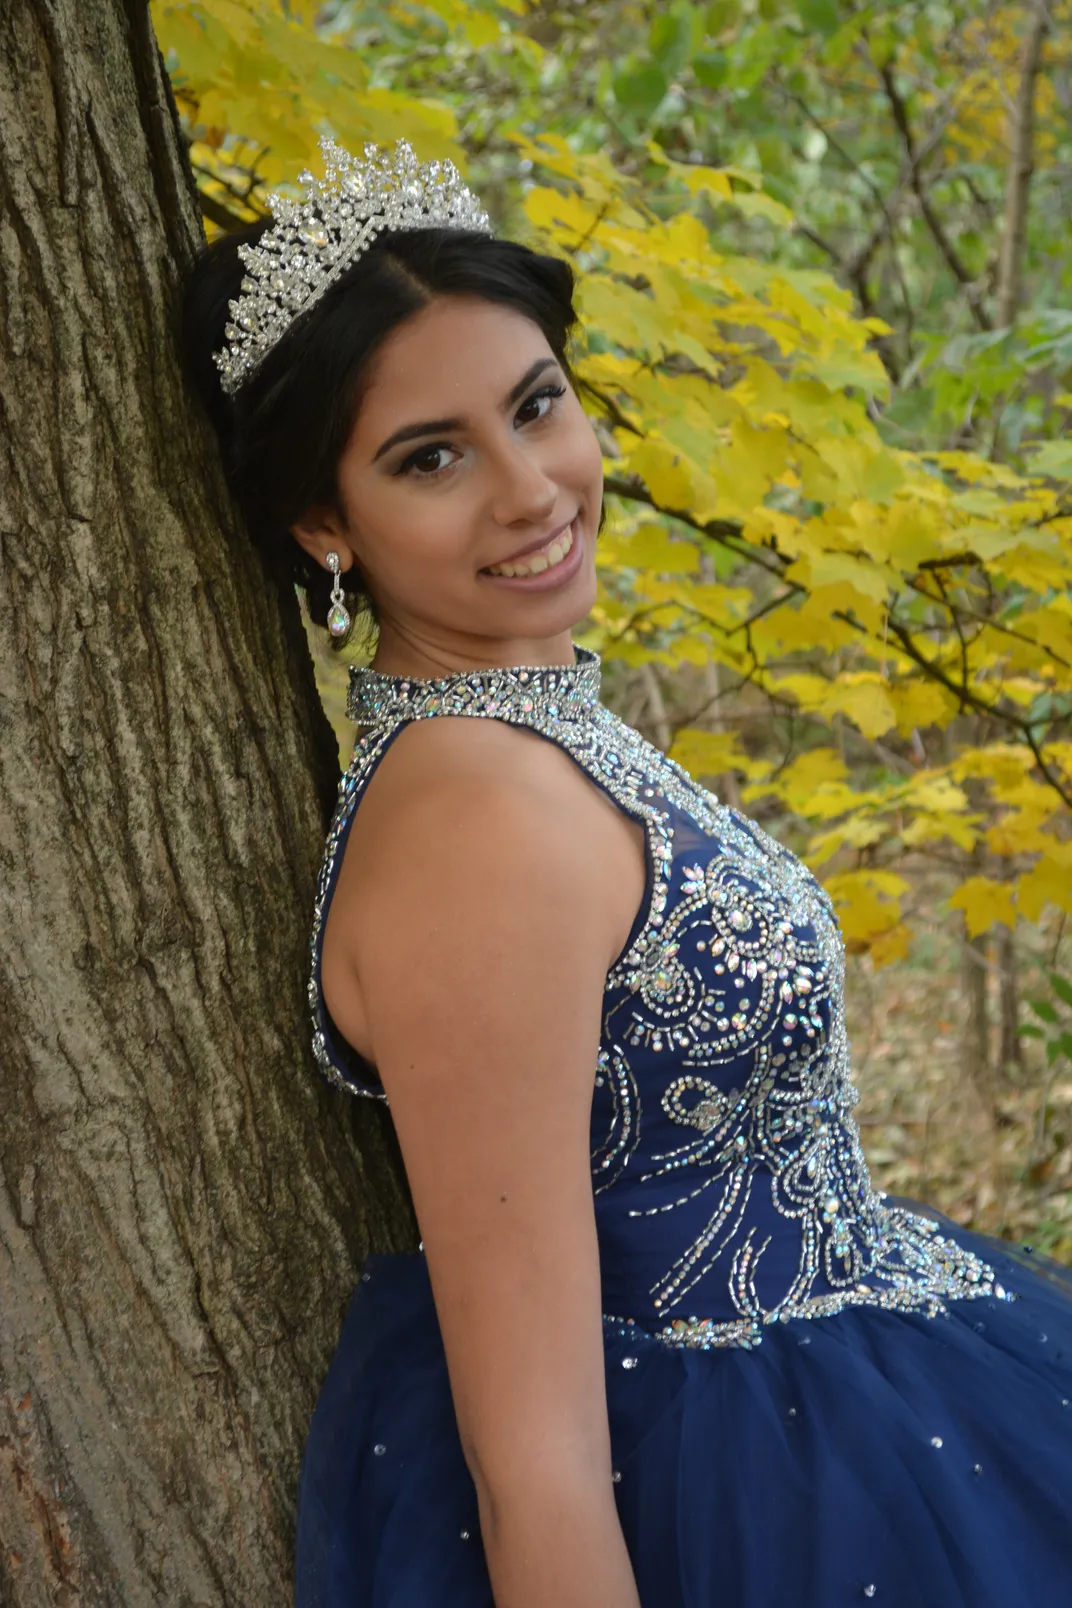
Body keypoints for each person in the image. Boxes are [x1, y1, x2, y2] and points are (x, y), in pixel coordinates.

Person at [180, 138, 1072, 1608]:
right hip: (757, 1490)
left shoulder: (528, 732)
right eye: (431, 457)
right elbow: (531, 1450)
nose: (532, 490)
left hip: (874, 1382)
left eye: (537, 406)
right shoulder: (473, 826)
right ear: (324, 525)